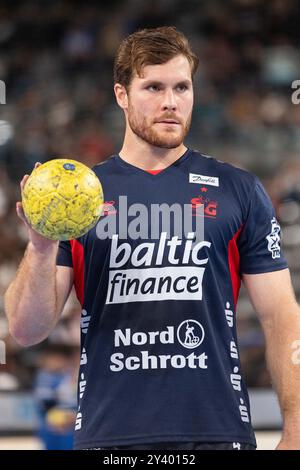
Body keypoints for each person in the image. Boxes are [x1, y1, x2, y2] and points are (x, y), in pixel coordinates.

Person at [4, 26, 300, 451]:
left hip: (216, 436)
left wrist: (296, 429)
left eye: (182, 87)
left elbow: (281, 317)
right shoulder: (82, 197)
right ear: (121, 95)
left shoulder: (238, 189)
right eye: (153, 87)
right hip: (109, 439)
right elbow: (26, 330)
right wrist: (42, 244)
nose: (170, 102)